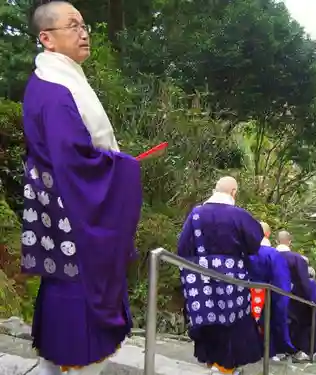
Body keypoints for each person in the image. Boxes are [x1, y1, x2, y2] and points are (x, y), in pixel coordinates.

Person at [21, 2, 143, 375]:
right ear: (47, 39)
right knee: (78, 292)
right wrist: (124, 168)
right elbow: (75, 161)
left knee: (63, 286)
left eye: (83, 24)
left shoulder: (58, 80)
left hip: (61, 209)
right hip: (72, 211)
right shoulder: (56, 90)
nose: (83, 31)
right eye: (72, 25)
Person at [177, 176, 264, 375]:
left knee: (208, 318)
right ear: (233, 192)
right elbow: (254, 242)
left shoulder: (196, 214)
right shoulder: (239, 215)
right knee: (234, 320)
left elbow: (183, 247)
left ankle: (212, 361)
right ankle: (225, 366)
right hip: (232, 278)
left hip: (201, 278)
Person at [247, 222, 295, 362]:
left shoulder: (245, 252)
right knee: (267, 322)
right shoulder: (273, 255)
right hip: (268, 300)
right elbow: (281, 285)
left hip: (244, 297)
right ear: (267, 234)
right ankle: (269, 351)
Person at [276, 230, 314, 362]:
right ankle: (295, 351)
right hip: (294, 300)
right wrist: (309, 300)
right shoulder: (297, 259)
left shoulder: (270, 255)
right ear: (290, 242)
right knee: (295, 325)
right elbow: (304, 283)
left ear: (277, 241)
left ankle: (276, 351)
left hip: (271, 298)